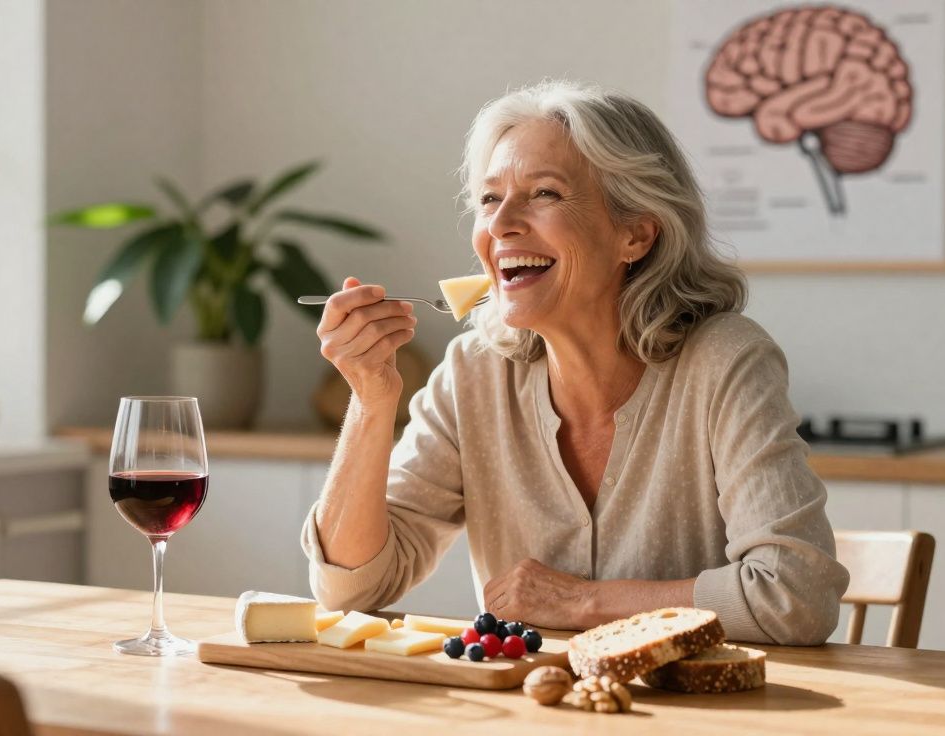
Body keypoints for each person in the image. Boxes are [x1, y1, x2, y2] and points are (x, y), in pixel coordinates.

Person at [300, 80, 848, 645]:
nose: (502, 224)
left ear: (635, 234)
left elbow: (794, 596)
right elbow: (350, 588)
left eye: (544, 194)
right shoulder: (473, 374)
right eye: (490, 199)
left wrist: (582, 602)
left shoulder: (725, 361)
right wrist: (370, 401)